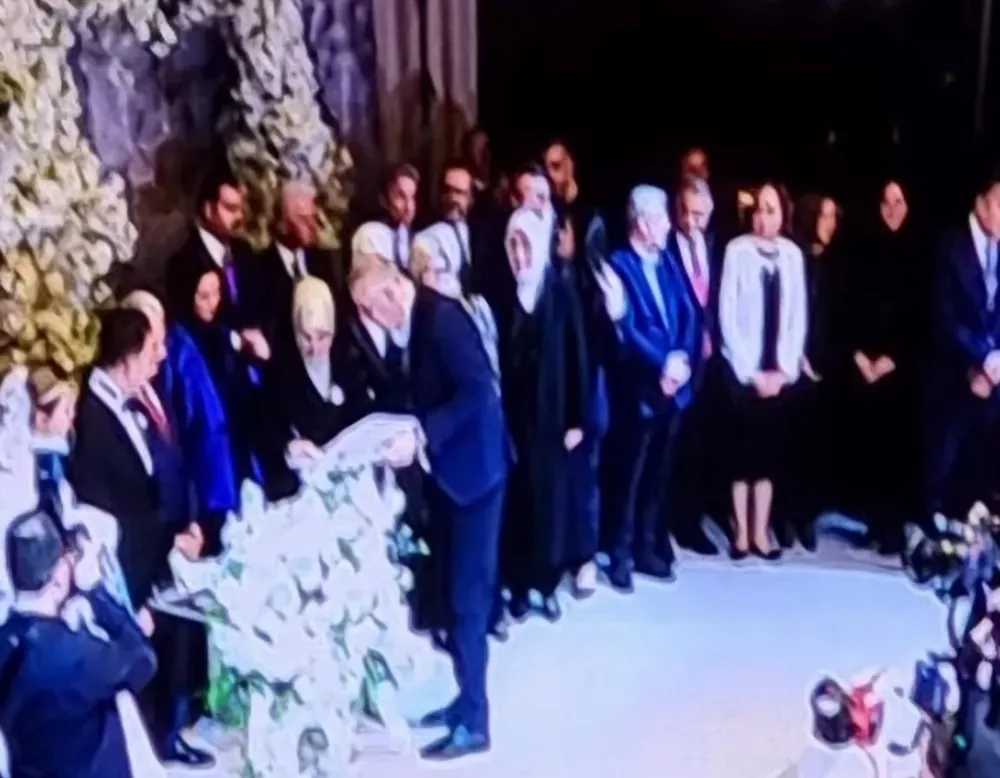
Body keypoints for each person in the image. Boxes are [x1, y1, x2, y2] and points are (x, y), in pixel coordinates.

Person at [350, 260, 509, 761]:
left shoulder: (442, 319)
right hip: (450, 479)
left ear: (392, 293)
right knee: (451, 596)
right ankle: (464, 699)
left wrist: (422, 433)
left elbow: (479, 389)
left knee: (468, 599)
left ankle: (476, 719)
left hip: (476, 478)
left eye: (370, 308)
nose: (371, 318)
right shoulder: (417, 320)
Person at [67, 308, 210, 767]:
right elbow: (104, 509)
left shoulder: (130, 404)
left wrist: (182, 528)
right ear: (127, 357)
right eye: (151, 350)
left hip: (156, 553)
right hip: (128, 564)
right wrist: (161, 549)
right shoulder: (91, 417)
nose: (159, 359)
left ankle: (167, 734)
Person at [0, 507, 158, 778]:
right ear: (58, 576)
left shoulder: (6, 638)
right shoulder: (74, 653)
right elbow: (143, 660)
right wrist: (96, 591)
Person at [495, 207, 590, 620]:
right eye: (512, 245)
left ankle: (545, 584)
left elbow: (578, 357)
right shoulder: (502, 298)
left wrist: (577, 419)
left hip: (552, 421)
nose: (519, 255)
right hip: (514, 422)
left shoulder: (561, 294)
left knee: (551, 505)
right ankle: (518, 584)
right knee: (519, 504)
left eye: (526, 245)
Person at [605, 185, 698, 591]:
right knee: (630, 476)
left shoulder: (668, 261)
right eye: (661, 218)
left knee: (658, 476)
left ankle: (647, 546)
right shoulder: (618, 265)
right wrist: (662, 364)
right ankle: (620, 553)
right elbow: (626, 329)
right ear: (642, 223)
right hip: (641, 390)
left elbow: (690, 311)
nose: (668, 225)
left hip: (675, 386)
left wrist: (682, 361)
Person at [719, 182, 808, 560]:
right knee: (742, 456)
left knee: (768, 456)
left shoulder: (792, 255)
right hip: (744, 374)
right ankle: (741, 532)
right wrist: (750, 372)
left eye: (770, 210)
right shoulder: (736, 251)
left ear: (783, 215)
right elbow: (726, 315)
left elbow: (798, 317)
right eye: (758, 209)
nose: (762, 217)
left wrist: (784, 370)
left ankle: (761, 531)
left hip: (779, 373)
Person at [842, 180, 922, 552]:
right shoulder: (859, 252)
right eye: (885, 201)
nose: (892, 209)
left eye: (898, 201)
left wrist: (893, 359)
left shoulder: (918, 256)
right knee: (868, 448)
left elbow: (922, 317)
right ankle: (871, 523)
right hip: (863, 368)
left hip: (901, 371)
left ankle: (893, 528)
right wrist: (860, 356)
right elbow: (845, 307)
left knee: (897, 451)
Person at [927, 169, 1000, 521]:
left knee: (981, 457)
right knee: (944, 453)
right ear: (981, 204)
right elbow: (942, 316)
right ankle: (931, 518)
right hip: (953, 369)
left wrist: (994, 363)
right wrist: (979, 360)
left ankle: (972, 515)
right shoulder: (949, 246)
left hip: (993, 374)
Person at [665, 178, 723, 555]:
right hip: (676, 362)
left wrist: (711, 333)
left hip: (708, 363)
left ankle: (691, 521)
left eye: (698, 214)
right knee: (671, 446)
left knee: (699, 445)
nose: (690, 220)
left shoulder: (714, 245)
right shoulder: (667, 246)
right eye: (684, 212)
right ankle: (665, 522)